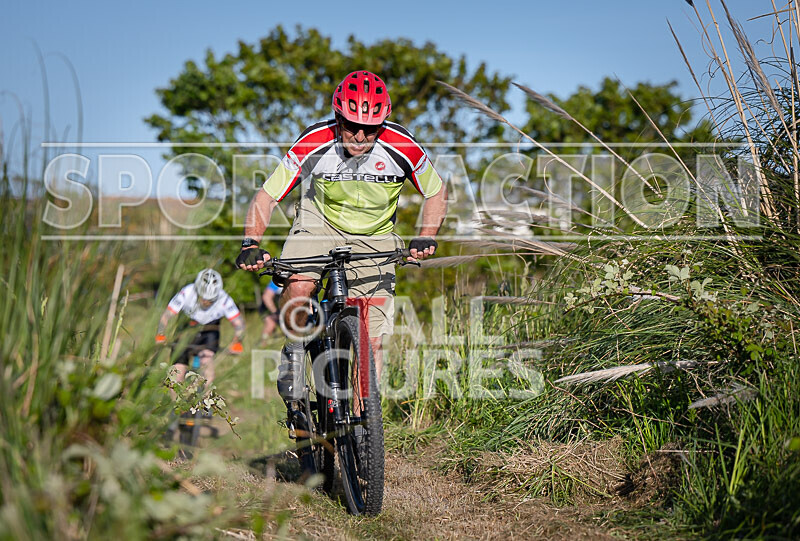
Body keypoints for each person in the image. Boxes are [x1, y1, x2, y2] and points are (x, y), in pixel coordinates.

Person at [235, 69, 447, 404]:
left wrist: (426, 235)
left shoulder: (402, 145)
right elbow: (267, 196)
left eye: (371, 129)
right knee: (299, 287)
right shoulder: (314, 141)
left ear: (383, 124)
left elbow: (435, 192)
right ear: (337, 118)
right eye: (351, 126)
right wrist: (251, 243)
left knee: (371, 340)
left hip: (375, 234)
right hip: (318, 222)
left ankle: (364, 427)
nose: (360, 136)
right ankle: (294, 345)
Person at [155, 268, 246, 388]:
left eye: (211, 300)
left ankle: (205, 398)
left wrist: (237, 342)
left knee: (208, 370)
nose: (207, 302)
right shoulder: (187, 292)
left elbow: (239, 324)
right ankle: (176, 399)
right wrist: (160, 334)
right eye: (203, 298)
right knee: (176, 375)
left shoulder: (224, 298)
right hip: (186, 329)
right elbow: (167, 315)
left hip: (209, 331)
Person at [259, 280, 283, 345]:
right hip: (267, 308)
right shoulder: (278, 280)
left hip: (280, 308)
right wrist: (275, 312)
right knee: (271, 324)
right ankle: (262, 344)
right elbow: (266, 297)